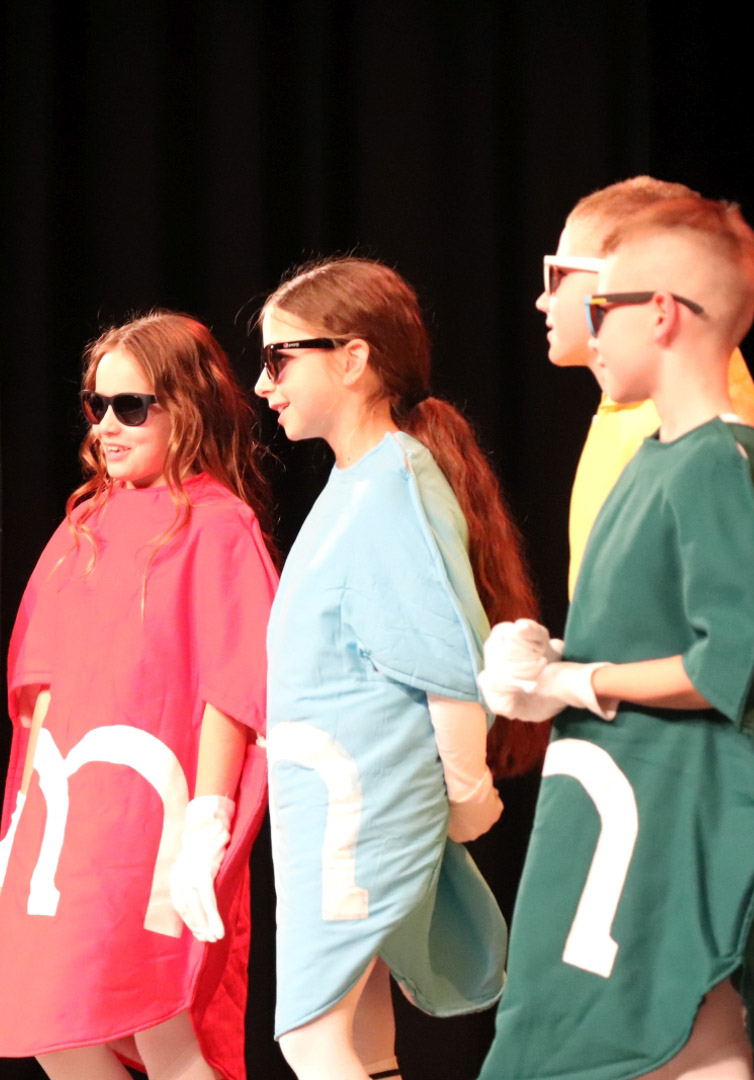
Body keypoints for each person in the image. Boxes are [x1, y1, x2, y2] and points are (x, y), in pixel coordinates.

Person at [478, 197, 754, 1080]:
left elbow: (725, 662)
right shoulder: (654, 456)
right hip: (621, 788)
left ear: (659, 313)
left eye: (601, 304)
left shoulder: (719, 461)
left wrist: (577, 682)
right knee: (684, 1039)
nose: (586, 323)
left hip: (671, 799)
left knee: (628, 1032)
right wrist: (551, 662)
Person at [0, 312, 280, 1080]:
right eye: (96, 405)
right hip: (64, 821)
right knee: (52, 1024)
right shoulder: (84, 526)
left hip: (150, 823)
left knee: (159, 1020)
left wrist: (207, 824)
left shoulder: (217, 525)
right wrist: (18, 828)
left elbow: (231, 689)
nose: (106, 425)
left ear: (185, 408)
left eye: (130, 406)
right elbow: (41, 688)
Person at [253, 257, 539, 1080]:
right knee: (359, 1034)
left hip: (357, 804)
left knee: (311, 1037)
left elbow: (443, 655)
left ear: (352, 358)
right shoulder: (362, 482)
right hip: (338, 803)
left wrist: (466, 787)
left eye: (278, 358)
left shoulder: (391, 484)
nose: (264, 384)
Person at [534, 175, 754, 598]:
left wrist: (589, 654)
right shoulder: (630, 411)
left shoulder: (691, 435)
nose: (543, 299)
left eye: (559, 275)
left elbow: (723, 629)